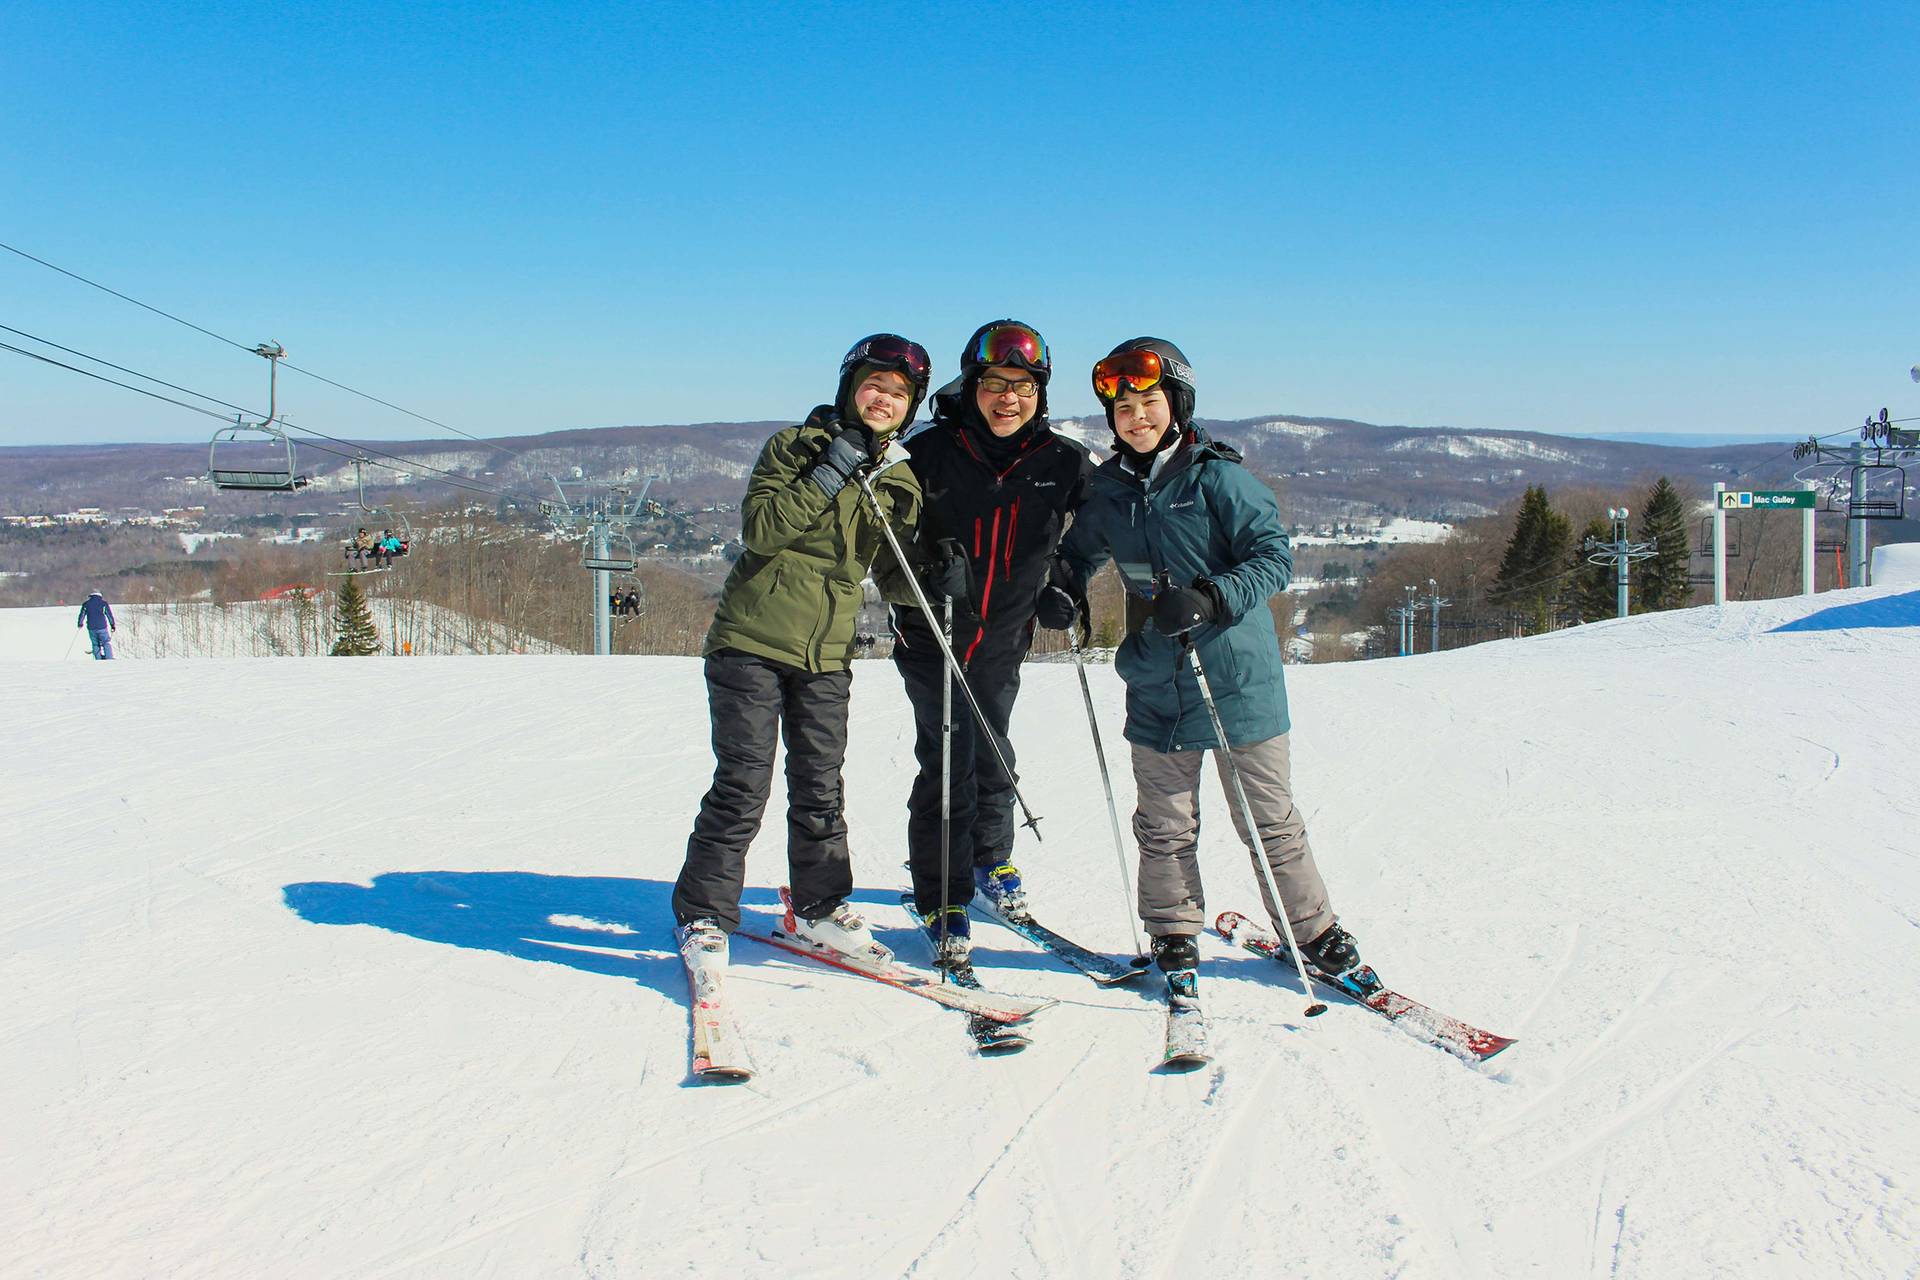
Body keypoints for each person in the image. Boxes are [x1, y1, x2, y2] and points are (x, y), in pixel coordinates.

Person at [1039, 338, 1374, 994]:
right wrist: (1062, 587)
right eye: (1124, 407)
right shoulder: (1107, 491)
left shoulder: (1218, 477)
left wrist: (1215, 595)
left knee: (1267, 819)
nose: (1137, 417)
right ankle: (1172, 929)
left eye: (1149, 403)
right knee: (1164, 820)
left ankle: (1314, 931)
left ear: (1177, 404)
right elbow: (1076, 556)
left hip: (1238, 678)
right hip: (1157, 681)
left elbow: (1274, 556)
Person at [671, 335, 930, 969]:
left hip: (828, 652)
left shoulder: (898, 478)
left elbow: (891, 569)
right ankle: (704, 914)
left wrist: (936, 578)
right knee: (743, 782)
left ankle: (820, 905)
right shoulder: (795, 447)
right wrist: (832, 466)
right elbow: (763, 530)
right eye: (875, 385)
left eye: (899, 394)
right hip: (750, 641)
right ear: (849, 387)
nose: (884, 400)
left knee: (819, 787)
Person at [880, 320, 1089, 965]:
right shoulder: (928, 452)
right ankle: (938, 891)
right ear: (970, 387)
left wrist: (1068, 580)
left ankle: (990, 864)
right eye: (995, 384)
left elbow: (1095, 533)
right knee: (947, 756)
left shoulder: (1063, 461)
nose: (1008, 398)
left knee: (993, 749)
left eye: (1022, 386)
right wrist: (923, 566)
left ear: (1040, 394)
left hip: (1004, 635)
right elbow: (881, 529)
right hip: (933, 632)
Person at [77, 590, 116, 659]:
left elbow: (82, 615)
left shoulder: (86, 604)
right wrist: (112, 624)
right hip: (102, 627)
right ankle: (109, 658)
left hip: (91, 628)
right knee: (106, 642)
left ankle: (98, 659)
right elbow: (109, 615)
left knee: (95, 644)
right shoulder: (103, 604)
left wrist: (80, 624)